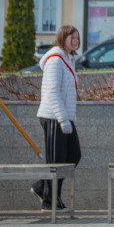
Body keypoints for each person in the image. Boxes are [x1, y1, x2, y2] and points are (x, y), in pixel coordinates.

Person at [32, 25, 82, 212]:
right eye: (72, 38)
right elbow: (53, 92)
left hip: (64, 117)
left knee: (73, 155)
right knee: (56, 161)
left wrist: (67, 118)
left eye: (77, 38)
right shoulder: (55, 60)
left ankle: (42, 188)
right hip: (54, 117)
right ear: (63, 38)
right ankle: (50, 201)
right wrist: (62, 119)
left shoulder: (68, 59)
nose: (76, 42)